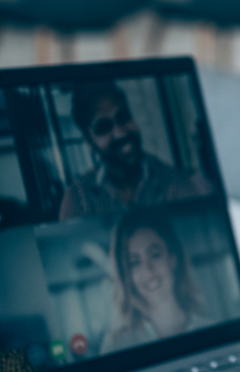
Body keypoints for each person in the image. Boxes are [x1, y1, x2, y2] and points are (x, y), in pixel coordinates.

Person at [59, 82, 211, 220]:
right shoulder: (77, 199)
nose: (121, 133)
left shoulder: (179, 183)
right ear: (89, 142)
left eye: (123, 117)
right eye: (103, 127)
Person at [100, 208, 207, 354]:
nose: (148, 271)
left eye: (155, 255)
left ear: (173, 259)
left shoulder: (209, 328)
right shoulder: (117, 345)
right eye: (135, 262)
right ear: (127, 275)